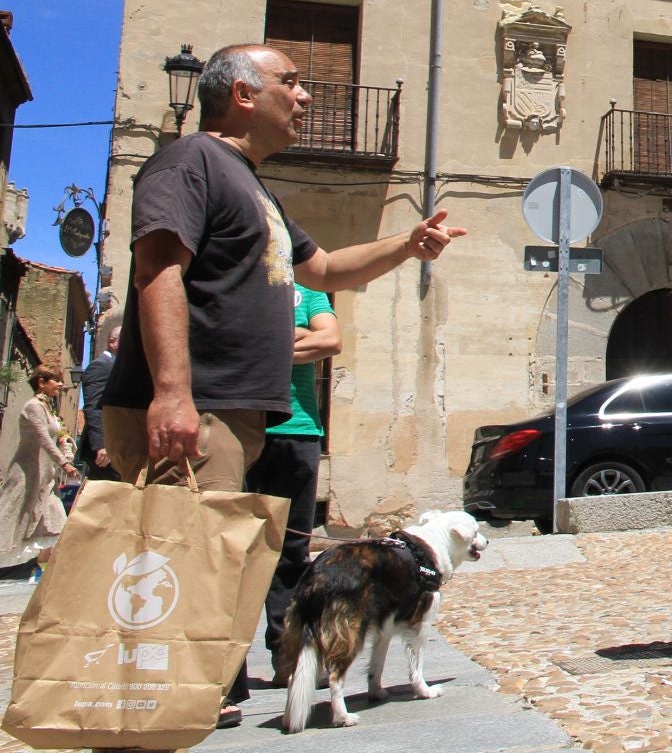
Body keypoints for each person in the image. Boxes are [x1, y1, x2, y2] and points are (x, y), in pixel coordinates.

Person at [102, 43, 465, 726]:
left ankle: (197, 700)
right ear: (242, 93)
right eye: (291, 84)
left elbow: (324, 269)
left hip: (234, 412)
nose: (304, 97)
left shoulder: (251, 185)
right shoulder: (189, 163)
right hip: (200, 406)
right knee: (184, 564)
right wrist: (173, 393)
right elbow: (158, 269)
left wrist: (406, 245)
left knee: (216, 566)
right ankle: (165, 712)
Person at [250, 283, 339, 687]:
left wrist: (268, 342)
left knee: (292, 552)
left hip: (299, 431)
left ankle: (289, 656)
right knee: (234, 550)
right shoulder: (239, 279)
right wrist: (301, 338)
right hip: (241, 428)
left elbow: (332, 340)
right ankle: (224, 671)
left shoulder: (309, 291)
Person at [0, 366, 75, 573]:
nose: (60, 384)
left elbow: (57, 435)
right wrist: (64, 463)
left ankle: (50, 577)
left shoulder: (47, 408)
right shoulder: (33, 406)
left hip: (45, 479)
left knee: (57, 524)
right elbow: (43, 438)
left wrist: (66, 443)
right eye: (55, 380)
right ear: (41, 382)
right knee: (9, 520)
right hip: (27, 474)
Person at [76, 322, 119, 483]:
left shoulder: (113, 366)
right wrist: (102, 445)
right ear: (112, 342)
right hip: (105, 450)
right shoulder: (100, 366)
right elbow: (93, 407)